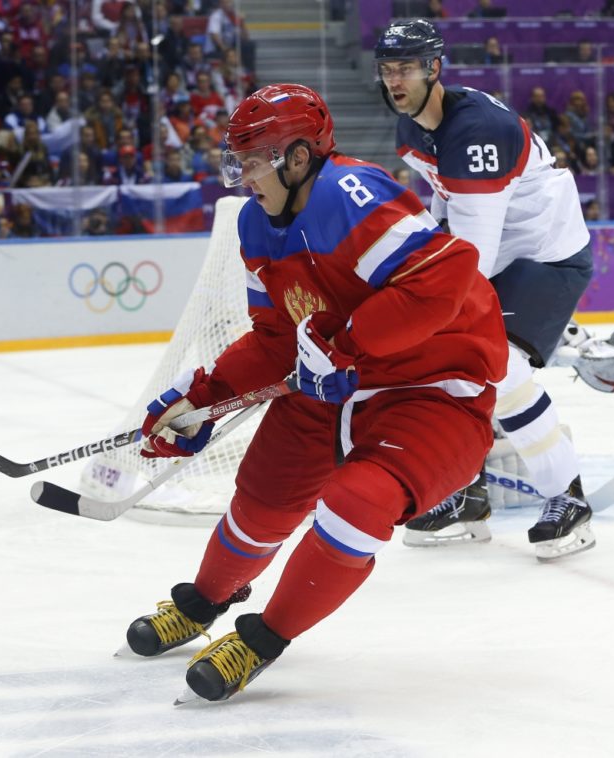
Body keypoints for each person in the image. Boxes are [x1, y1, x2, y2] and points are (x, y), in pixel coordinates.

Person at [122, 83, 508, 702]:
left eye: (253, 161)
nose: (244, 177)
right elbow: (277, 336)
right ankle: (202, 603)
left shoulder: (350, 194)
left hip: (433, 389)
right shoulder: (255, 224)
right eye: (239, 161)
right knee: (263, 495)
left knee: (357, 502)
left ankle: (262, 639)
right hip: (335, 380)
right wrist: (206, 395)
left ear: (297, 157)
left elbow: (447, 275)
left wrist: (349, 342)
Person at [374, 19, 600, 560]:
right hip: (501, 246)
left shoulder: (477, 132)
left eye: (406, 68)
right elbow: (445, 198)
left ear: (434, 68)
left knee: (500, 367)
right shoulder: (412, 128)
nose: (395, 80)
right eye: (387, 69)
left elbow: (470, 259)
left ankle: (568, 498)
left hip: (546, 255)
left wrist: (411, 293)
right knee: (445, 367)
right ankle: (466, 495)